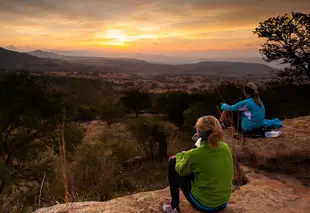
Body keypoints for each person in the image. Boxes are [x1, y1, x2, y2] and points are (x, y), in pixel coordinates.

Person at [163, 116, 233, 213]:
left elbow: (181, 171)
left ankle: (174, 206)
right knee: (198, 167)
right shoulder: (225, 147)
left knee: (172, 163)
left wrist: (179, 156)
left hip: (205, 205)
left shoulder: (195, 155)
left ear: (199, 132)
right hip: (223, 202)